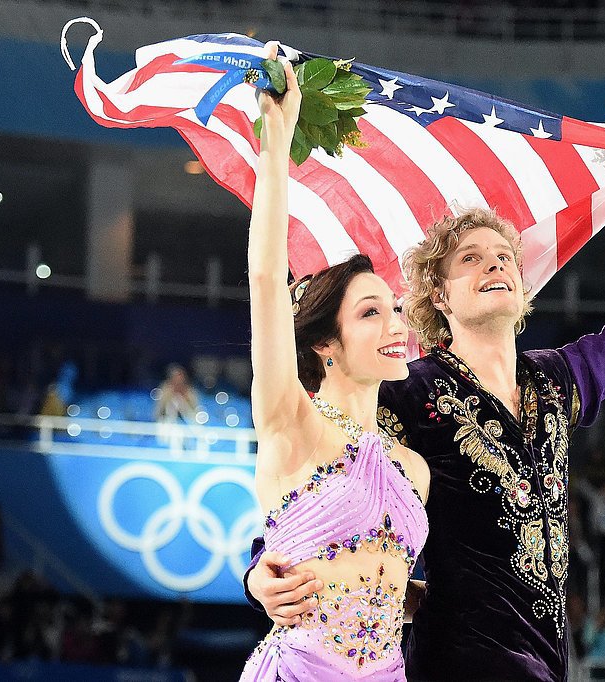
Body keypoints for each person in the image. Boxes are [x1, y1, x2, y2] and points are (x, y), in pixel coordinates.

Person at [245, 115, 605, 678]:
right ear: (437, 295)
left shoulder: (559, 381)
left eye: (504, 256)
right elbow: (316, 487)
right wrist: (257, 570)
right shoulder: (407, 390)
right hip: (454, 664)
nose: (495, 262)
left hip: (546, 664)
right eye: (470, 257)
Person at [238, 45, 429, 681]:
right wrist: (277, 139)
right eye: (371, 313)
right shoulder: (290, 421)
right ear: (326, 343)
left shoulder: (413, 469)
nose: (397, 325)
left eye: (397, 310)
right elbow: (267, 280)